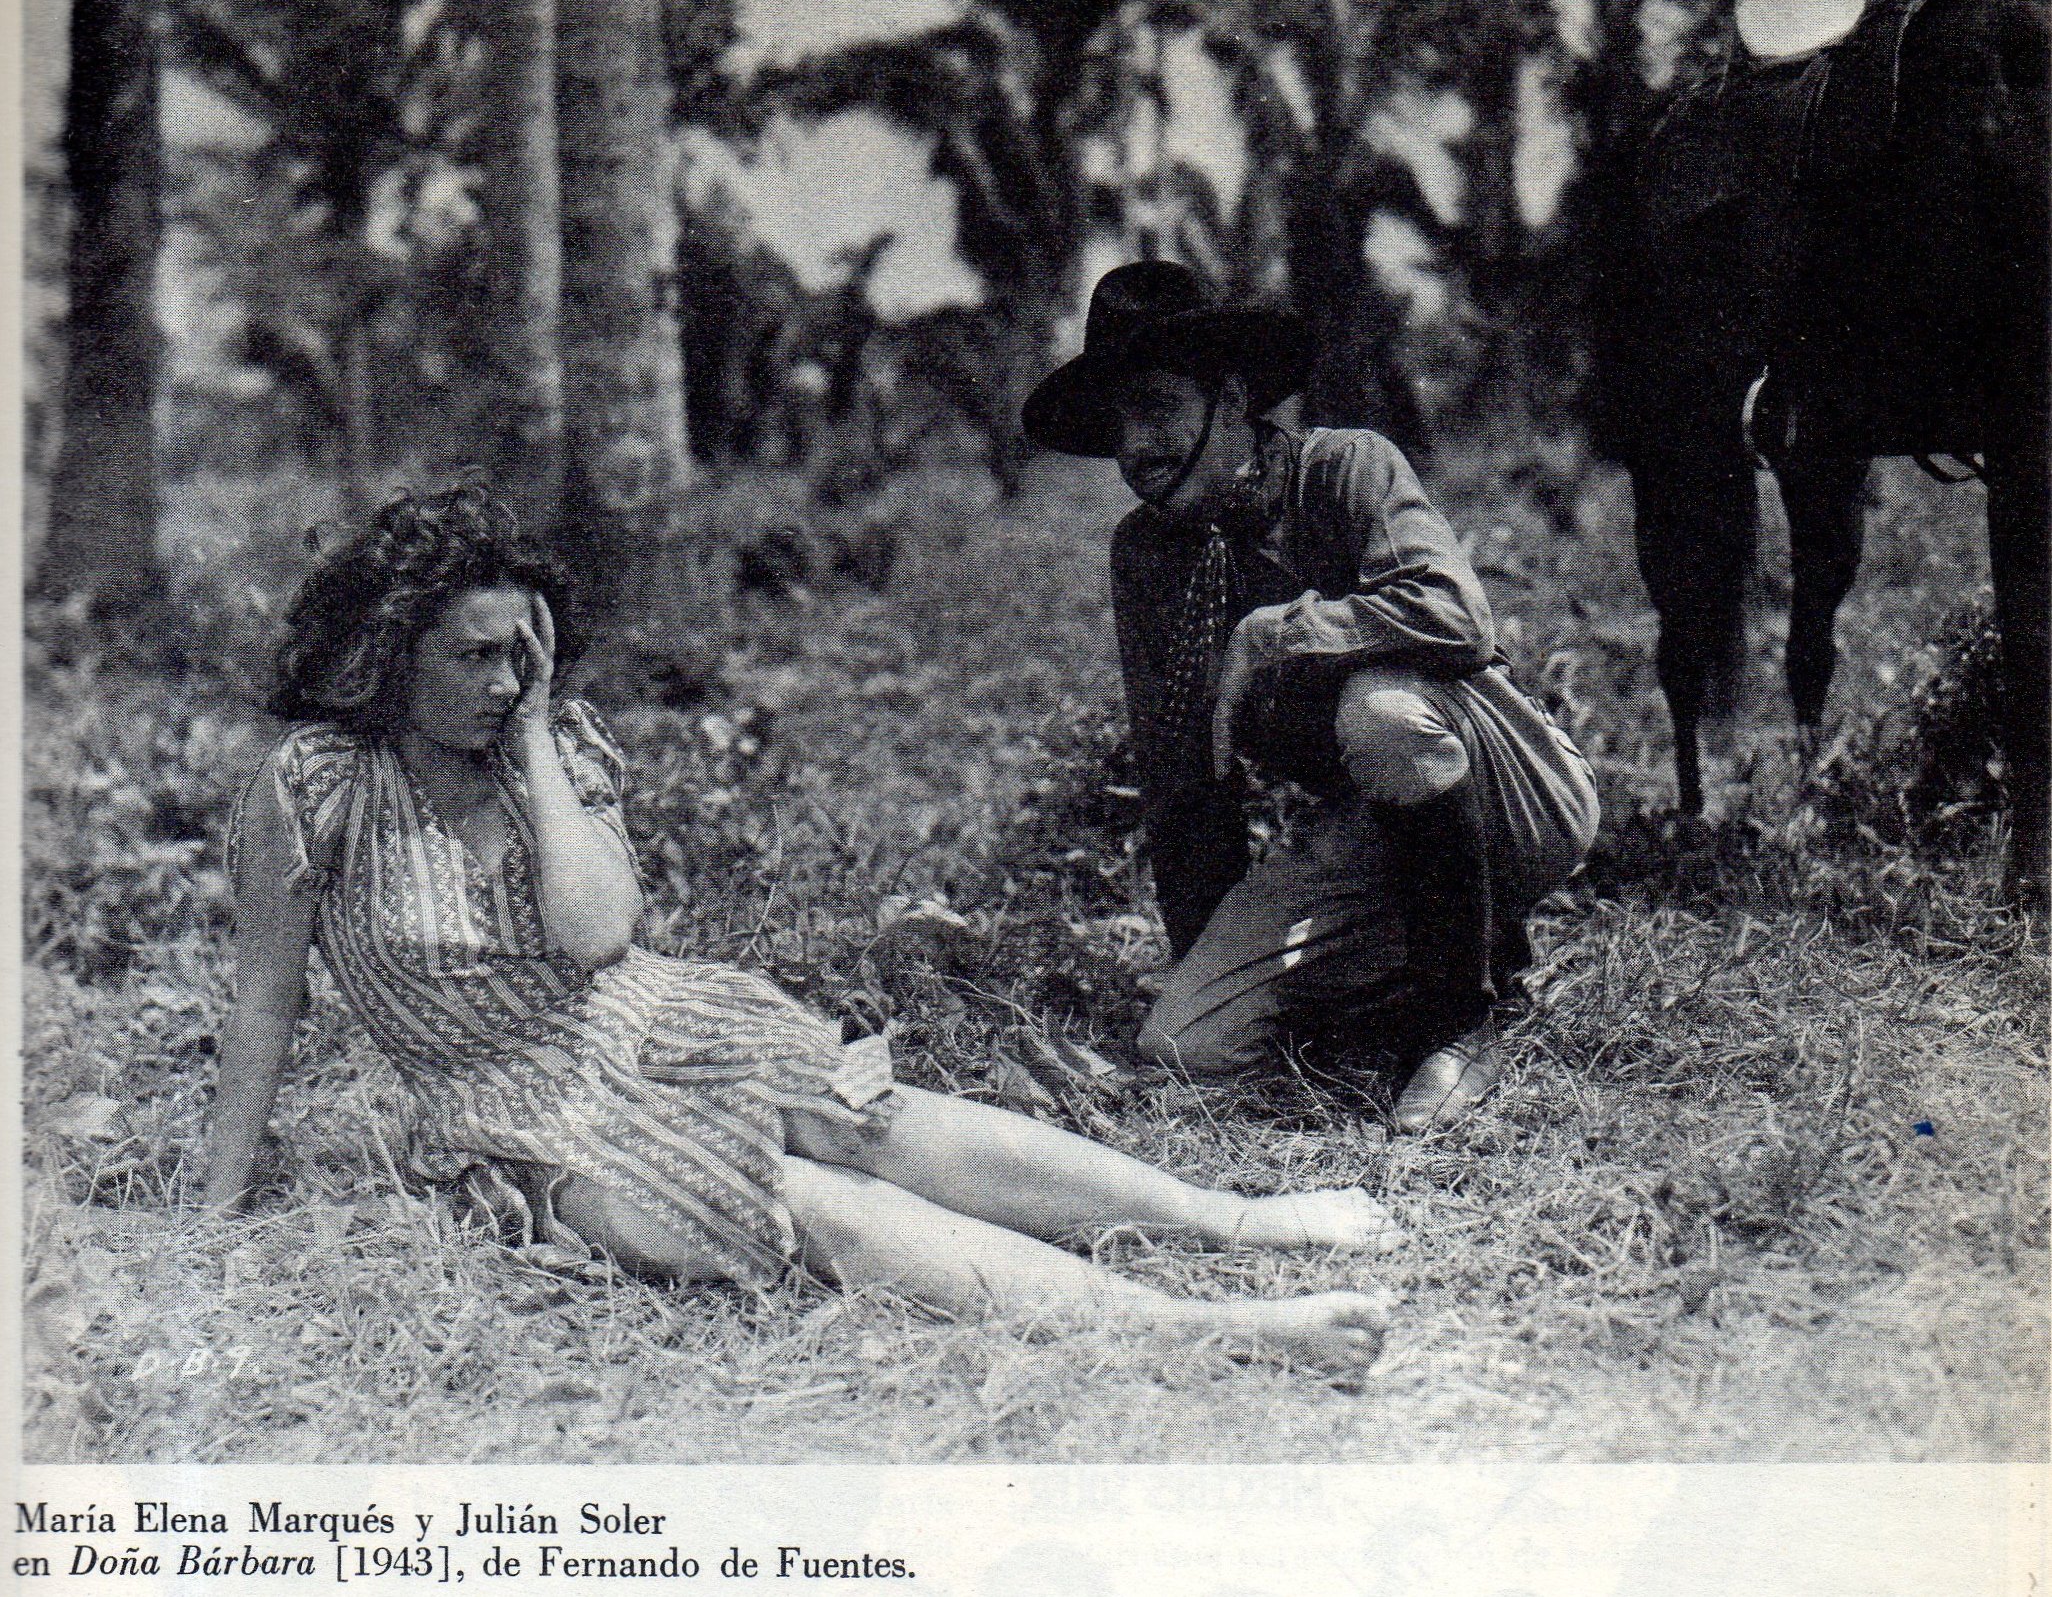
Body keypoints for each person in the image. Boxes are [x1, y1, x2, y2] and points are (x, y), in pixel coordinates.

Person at [199, 485, 1403, 1373]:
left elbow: (597, 937)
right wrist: (213, 1213)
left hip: (648, 1017)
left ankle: (1232, 1221)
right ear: (390, 650)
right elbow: (265, 1005)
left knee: (867, 1120)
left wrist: (531, 741)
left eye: (524, 655)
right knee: (777, 1193)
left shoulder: (551, 750)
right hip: (513, 1108)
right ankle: (1210, 1334)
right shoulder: (314, 784)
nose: (506, 681)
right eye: (472, 658)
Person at [1022, 262, 1599, 1129]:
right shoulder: (1149, 556)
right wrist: (1208, 962)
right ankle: (1456, 954)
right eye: (1117, 423)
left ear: (1230, 400)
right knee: (1187, 1042)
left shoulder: (1347, 467)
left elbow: (1458, 619)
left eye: (1157, 408)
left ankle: (1460, 1023)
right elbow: (1184, 775)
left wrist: (1279, 630)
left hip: (1516, 787)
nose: (1134, 449)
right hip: (1383, 827)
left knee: (1380, 709)